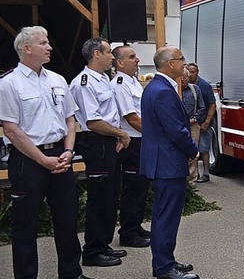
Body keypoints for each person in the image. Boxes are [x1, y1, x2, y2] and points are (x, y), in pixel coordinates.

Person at [0, 26, 91, 279]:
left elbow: (70, 120)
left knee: (67, 220)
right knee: (25, 226)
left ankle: (72, 273)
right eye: (43, 43)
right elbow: (11, 130)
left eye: (48, 42)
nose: (49, 47)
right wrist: (43, 160)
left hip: (61, 156)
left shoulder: (57, 80)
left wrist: (69, 151)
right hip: (28, 161)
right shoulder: (9, 84)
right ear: (26, 49)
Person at [70, 38, 131, 267]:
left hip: (109, 140)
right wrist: (122, 134)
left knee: (110, 195)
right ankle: (93, 251)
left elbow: (109, 114)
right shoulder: (84, 83)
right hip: (96, 142)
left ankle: (103, 244)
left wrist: (116, 135)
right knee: (99, 197)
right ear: (96, 54)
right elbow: (93, 121)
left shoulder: (104, 79)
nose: (112, 57)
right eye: (108, 52)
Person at [140, 47, 199, 279]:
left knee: (163, 214)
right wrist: (192, 150)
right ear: (170, 64)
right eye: (182, 59)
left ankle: (165, 261)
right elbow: (176, 130)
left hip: (163, 161)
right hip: (167, 162)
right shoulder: (163, 90)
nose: (185, 64)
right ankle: (165, 268)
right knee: (167, 217)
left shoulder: (156, 87)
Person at [111, 46, 151, 248]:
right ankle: (128, 233)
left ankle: (135, 226)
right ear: (119, 62)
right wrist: (155, 135)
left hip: (141, 140)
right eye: (132, 57)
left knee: (141, 187)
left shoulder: (133, 81)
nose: (137, 60)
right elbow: (132, 118)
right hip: (132, 141)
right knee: (132, 189)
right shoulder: (119, 84)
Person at [186, 63, 216, 183]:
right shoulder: (183, 85)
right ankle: (193, 174)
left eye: (193, 72)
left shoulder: (204, 85)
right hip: (190, 123)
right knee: (192, 149)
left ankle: (206, 173)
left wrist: (206, 123)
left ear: (197, 72)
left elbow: (212, 104)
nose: (191, 74)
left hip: (203, 122)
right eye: (189, 72)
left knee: (204, 148)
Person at [180, 68, 206, 183]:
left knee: (193, 152)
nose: (183, 80)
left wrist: (194, 119)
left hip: (193, 125)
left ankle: (192, 181)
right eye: (180, 78)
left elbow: (202, 107)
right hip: (178, 124)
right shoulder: (173, 90)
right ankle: (181, 178)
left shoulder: (195, 89)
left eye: (185, 78)